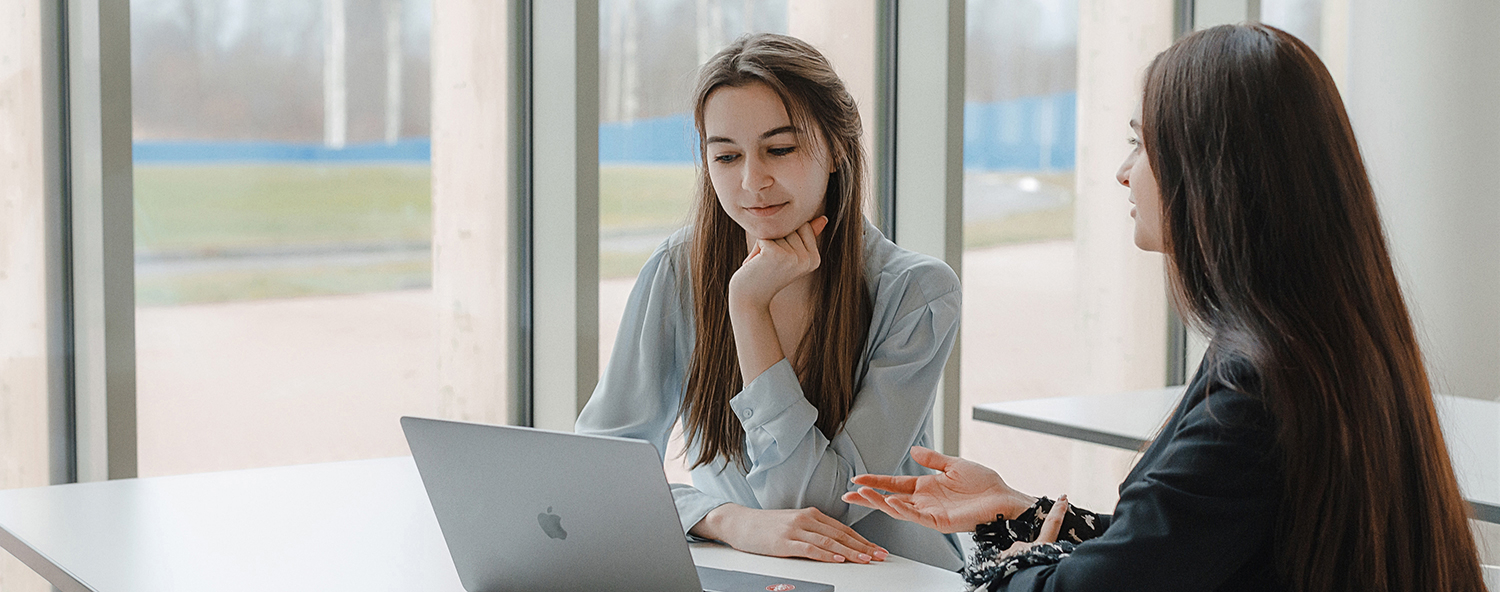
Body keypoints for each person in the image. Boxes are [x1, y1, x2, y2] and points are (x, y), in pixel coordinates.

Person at [844, 23, 1487, 592]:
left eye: (1141, 144)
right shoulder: (1312, 342)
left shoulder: (1255, 389)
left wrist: (1012, 565)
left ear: (1213, 170)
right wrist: (1011, 508)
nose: (1125, 173)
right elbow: (1177, 548)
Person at [575, 33, 965, 570]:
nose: (752, 181)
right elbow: (599, 466)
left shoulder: (917, 293)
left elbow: (815, 506)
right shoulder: (678, 269)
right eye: (726, 156)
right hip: (741, 568)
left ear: (837, 149)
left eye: (780, 149)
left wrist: (749, 307)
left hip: (889, 574)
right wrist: (724, 519)